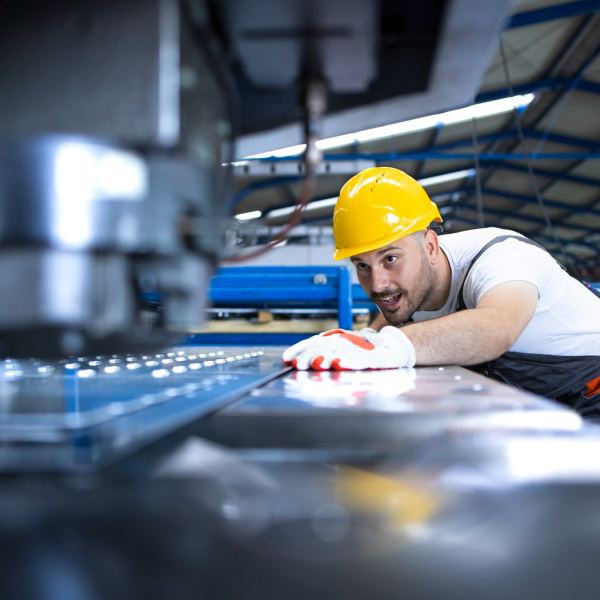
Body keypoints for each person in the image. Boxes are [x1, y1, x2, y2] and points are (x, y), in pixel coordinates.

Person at [283, 167, 600, 418]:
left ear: (431, 246)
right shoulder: (415, 281)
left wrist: (389, 347)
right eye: (362, 266)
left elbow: (497, 327)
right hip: (541, 403)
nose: (377, 284)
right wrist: (364, 340)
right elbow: (394, 313)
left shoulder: (501, 256)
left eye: (390, 259)